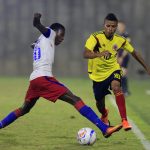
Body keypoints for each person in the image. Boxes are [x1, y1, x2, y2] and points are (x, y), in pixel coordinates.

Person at [0, 13, 122, 138]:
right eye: (61, 34)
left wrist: (35, 44)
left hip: (34, 80)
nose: (62, 38)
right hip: (44, 78)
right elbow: (37, 25)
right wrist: (37, 19)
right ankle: (104, 128)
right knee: (76, 100)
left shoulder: (40, 40)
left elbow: (35, 45)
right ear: (54, 31)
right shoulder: (49, 33)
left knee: (24, 109)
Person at [83, 13, 150, 131]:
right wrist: (99, 54)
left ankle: (124, 120)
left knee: (116, 86)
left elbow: (134, 53)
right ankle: (104, 114)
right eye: (108, 26)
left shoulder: (120, 40)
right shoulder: (95, 37)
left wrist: (146, 67)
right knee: (100, 104)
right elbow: (85, 53)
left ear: (116, 26)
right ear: (104, 25)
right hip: (97, 75)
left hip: (113, 69)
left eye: (113, 26)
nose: (110, 29)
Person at [117, 21, 131, 96]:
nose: (119, 27)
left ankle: (125, 91)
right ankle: (124, 90)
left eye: (120, 26)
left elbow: (127, 48)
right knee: (120, 74)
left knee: (123, 73)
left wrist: (122, 57)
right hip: (119, 57)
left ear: (123, 26)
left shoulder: (126, 35)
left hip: (124, 57)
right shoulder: (119, 36)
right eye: (118, 26)